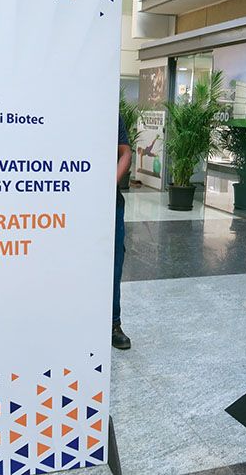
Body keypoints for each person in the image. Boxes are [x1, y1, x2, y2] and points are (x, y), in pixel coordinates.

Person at [113, 116, 132, 350]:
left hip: (110, 202)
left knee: (114, 261)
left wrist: (109, 185)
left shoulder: (110, 113)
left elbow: (125, 152)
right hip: (71, 200)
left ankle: (113, 323)